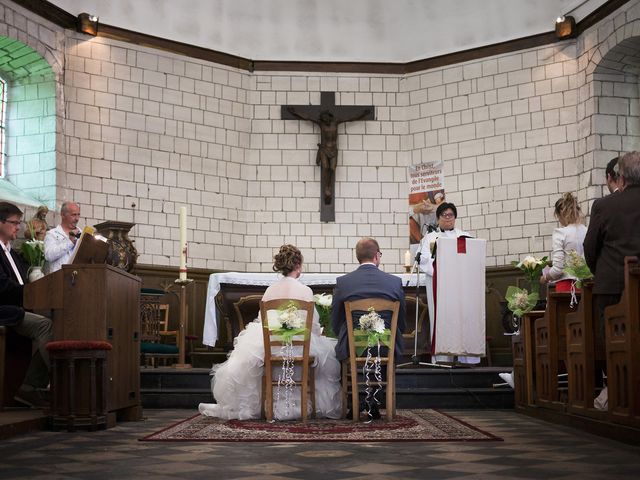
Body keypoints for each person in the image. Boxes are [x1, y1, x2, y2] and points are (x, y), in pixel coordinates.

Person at [199, 244, 342, 420]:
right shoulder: (305, 291)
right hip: (301, 348)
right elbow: (312, 326)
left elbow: (262, 322)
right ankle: (305, 402)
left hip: (271, 347)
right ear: (298, 266)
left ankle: (264, 402)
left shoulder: (270, 291)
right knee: (326, 357)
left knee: (249, 357)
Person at [331, 237, 406, 418]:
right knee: (382, 347)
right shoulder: (394, 282)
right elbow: (402, 322)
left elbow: (336, 320)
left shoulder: (344, 282)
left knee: (348, 344)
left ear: (358, 257)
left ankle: (356, 403)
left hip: (354, 347)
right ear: (377, 256)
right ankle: (375, 401)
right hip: (385, 345)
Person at [0, 201, 52, 408]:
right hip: (4, 310)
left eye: (20, 223)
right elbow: (2, 285)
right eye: (14, 223)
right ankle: (55, 381)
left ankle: (29, 387)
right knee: (46, 326)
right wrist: (29, 291)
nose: (19, 228)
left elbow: (21, 282)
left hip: (16, 307)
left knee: (55, 322)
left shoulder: (12, 253)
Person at [584, 151, 640, 332]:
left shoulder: (603, 206)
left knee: (614, 343)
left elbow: (590, 247)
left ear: (621, 178)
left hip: (611, 287)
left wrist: (598, 271)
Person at [418, 202, 479, 364]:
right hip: (440, 285)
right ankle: (442, 360)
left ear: (455, 217)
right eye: (444, 215)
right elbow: (424, 260)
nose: (448, 218)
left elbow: (473, 259)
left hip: (461, 287)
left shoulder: (465, 237)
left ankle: (466, 360)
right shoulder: (430, 238)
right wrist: (442, 272)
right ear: (438, 218)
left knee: (463, 319)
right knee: (442, 321)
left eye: (451, 215)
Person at [287, 107, 370, 205]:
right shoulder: (321, 124)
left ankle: (328, 186)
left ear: (329, 117)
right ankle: (327, 187)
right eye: (322, 119)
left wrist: (362, 114)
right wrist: (296, 112)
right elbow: (308, 117)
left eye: (325, 118)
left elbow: (350, 118)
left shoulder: (336, 122)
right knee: (325, 167)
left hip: (334, 150)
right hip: (324, 150)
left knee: (333, 168)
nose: (324, 120)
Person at [539, 193, 587, 292]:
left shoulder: (560, 233)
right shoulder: (587, 231)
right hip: (586, 286)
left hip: (567, 288)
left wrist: (545, 277)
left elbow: (558, 270)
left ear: (560, 214)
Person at [44, 201, 81, 274]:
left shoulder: (83, 233)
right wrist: (69, 242)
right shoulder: (52, 234)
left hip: (80, 279)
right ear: (63, 215)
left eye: (78, 215)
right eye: (73, 215)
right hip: (60, 280)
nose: (77, 218)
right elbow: (49, 256)